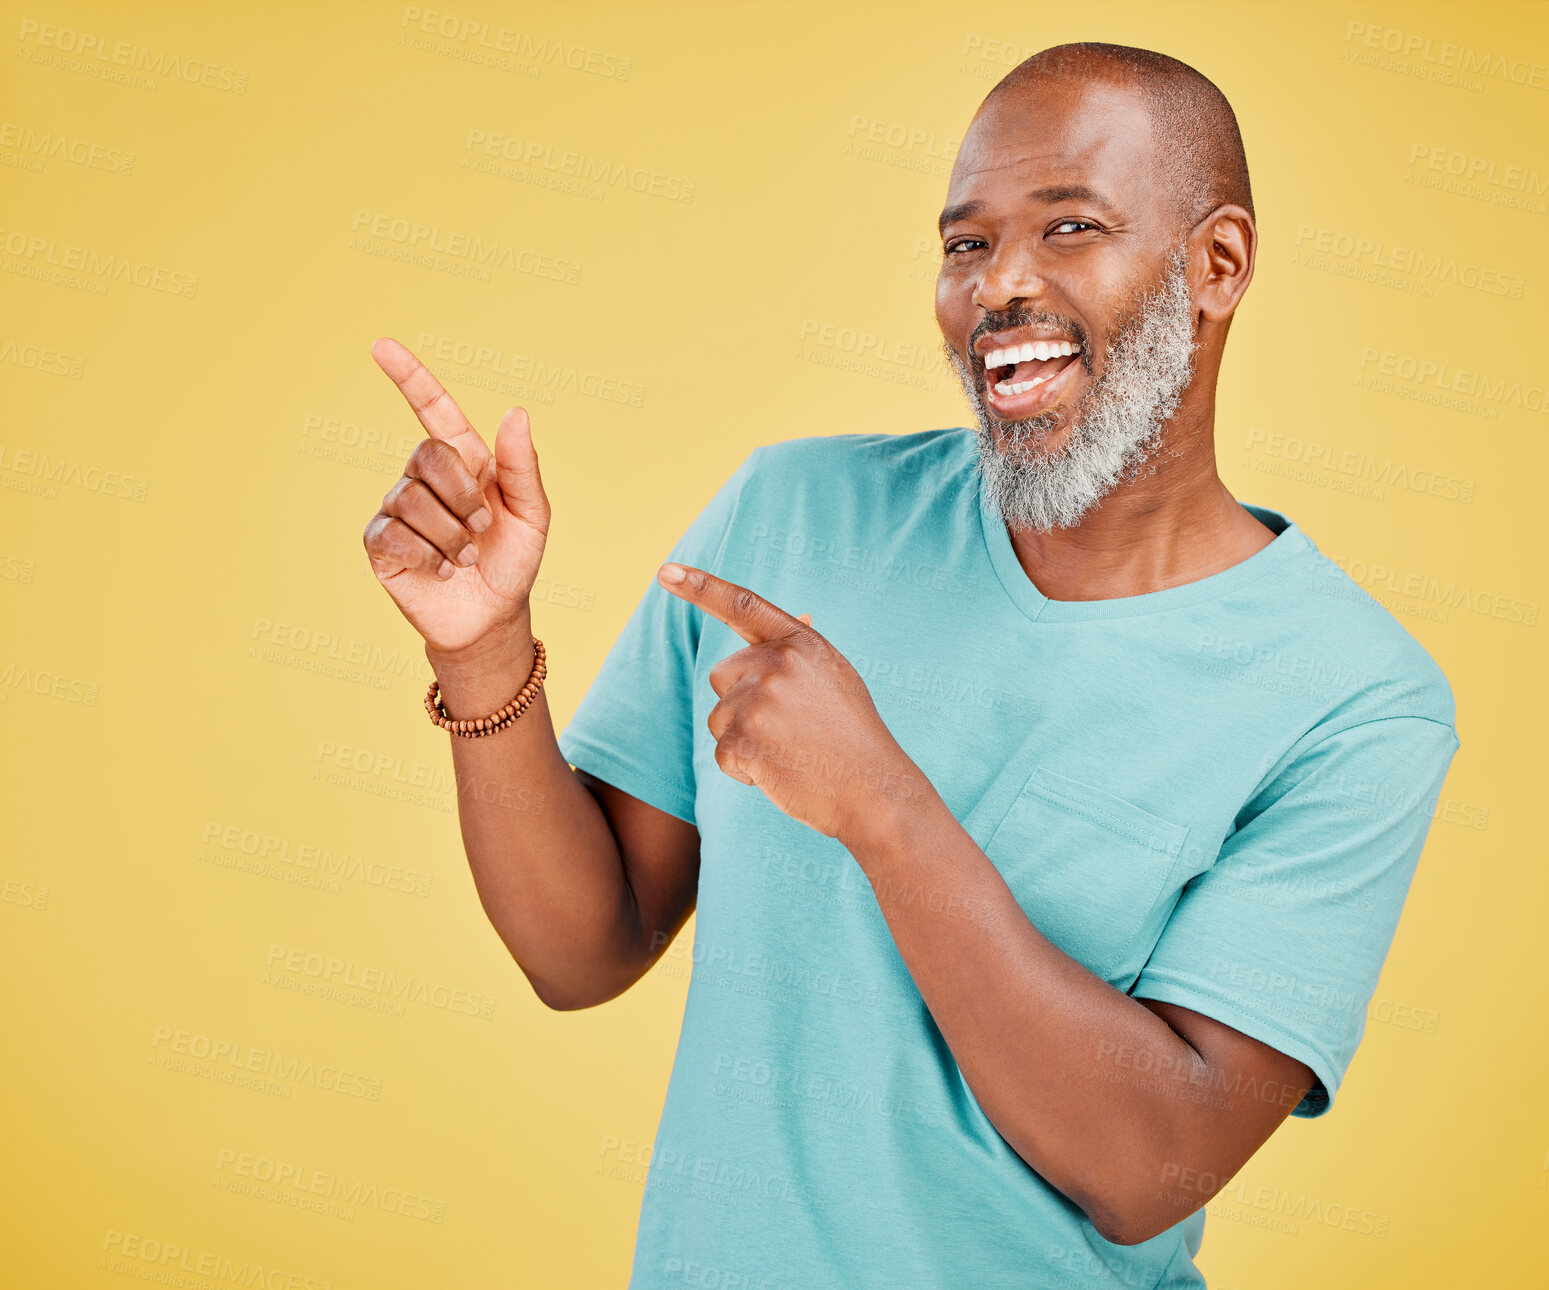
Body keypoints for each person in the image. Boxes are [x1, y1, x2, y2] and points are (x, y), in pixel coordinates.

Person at [361, 41, 1459, 1290]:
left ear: (1217, 265)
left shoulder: (1354, 700)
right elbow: (583, 951)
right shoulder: (793, 515)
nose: (1000, 287)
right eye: (965, 244)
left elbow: (1152, 1168)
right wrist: (481, 646)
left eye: (1071, 227)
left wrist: (879, 805)